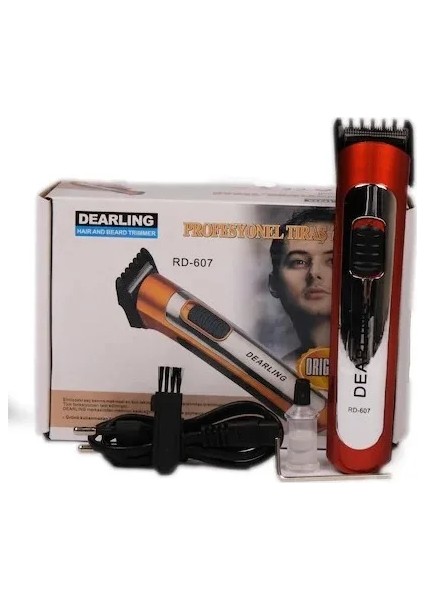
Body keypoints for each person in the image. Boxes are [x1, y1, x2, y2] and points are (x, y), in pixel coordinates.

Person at [269, 207, 334, 368]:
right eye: (299, 262)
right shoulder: (276, 369)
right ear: (274, 284)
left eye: (333, 261)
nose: (314, 273)